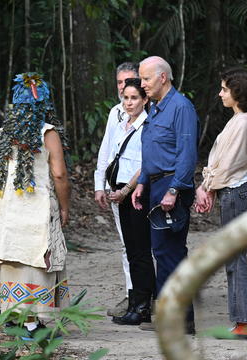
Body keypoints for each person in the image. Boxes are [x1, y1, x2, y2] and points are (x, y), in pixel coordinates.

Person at [0, 73, 70, 337]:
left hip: (9, 210)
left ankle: (14, 317)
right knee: (37, 261)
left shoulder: (1, 134)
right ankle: (33, 322)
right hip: (38, 208)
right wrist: (65, 207)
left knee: (13, 261)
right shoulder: (48, 133)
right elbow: (59, 174)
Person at [131, 56, 199, 333]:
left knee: (170, 253)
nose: (142, 83)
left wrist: (174, 190)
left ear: (163, 77)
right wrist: (142, 183)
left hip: (173, 186)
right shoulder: (157, 108)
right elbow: (152, 150)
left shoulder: (181, 107)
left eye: (146, 78)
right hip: (156, 185)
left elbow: (187, 154)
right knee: (161, 251)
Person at [195, 67, 247, 340]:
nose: (220, 93)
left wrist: (206, 187)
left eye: (224, 89)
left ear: (237, 93)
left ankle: (244, 323)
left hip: (236, 192)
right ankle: (241, 322)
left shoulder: (244, 121)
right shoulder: (238, 120)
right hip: (233, 192)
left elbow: (228, 163)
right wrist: (209, 186)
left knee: (235, 258)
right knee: (233, 258)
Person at [107, 78, 155, 326]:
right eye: (125, 97)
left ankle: (143, 306)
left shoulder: (148, 126)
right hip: (121, 192)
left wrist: (126, 190)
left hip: (137, 193)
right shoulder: (121, 123)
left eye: (134, 98)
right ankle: (136, 304)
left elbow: (145, 163)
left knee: (141, 251)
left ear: (145, 100)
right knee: (131, 250)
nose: (128, 102)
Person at [94, 62, 139, 317]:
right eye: (120, 83)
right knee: (126, 244)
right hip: (116, 186)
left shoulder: (149, 111)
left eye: (129, 81)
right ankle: (131, 294)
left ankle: (148, 295)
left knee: (145, 245)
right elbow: (106, 149)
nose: (124, 88)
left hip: (140, 186)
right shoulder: (115, 112)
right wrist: (99, 184)